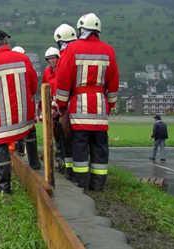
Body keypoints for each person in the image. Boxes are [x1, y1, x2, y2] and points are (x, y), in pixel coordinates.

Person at [54, 13, 119, 191]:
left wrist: (61, 105)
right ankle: (98, 184)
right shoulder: (109, 50)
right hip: (100, 107)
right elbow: (113, 82)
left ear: (81, 29)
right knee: (100, 147)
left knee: (80, 147)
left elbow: (63, 80)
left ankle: (80, 183)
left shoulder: (72, 49)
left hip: (79, 107)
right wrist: (110, 104)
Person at [0, 30, 38, 193]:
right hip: (24, 118)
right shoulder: (23, 59)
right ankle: (35, 166)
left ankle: (5, 187)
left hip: (0, 121)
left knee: (0, 147)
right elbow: (33, 84)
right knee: (30, 134)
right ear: (6, 42)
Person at [53, 24, 78, 179]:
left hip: (69, 105)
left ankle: (70, 171)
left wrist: (59, 106)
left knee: (67, 140)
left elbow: (62, 85)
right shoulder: (79, 53)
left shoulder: (65, 57)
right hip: (82, 104)